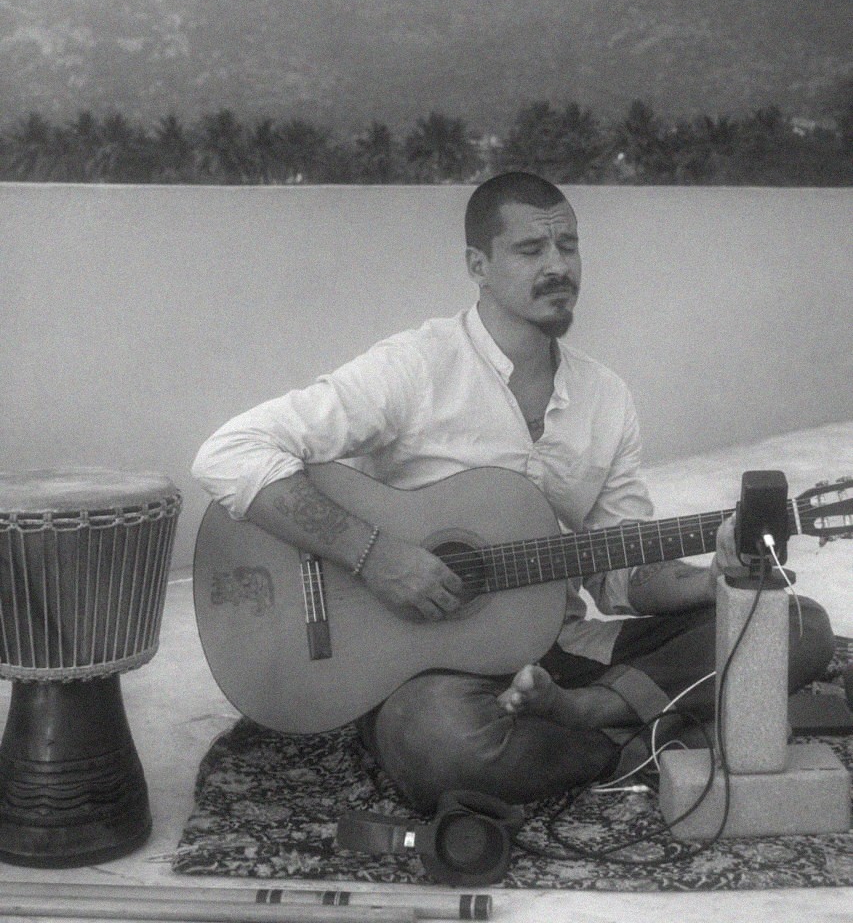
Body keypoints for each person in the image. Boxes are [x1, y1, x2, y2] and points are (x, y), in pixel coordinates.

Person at [192, 171, 833, 809]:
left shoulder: (604, 397)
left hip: (562, 651)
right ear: (479, 264)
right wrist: (374, 554)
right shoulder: (413, 368)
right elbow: (229, 453)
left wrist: (713, 576)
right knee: (439, 743)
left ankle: (584, 715)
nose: (558, 266)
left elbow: (625, 575)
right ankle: (639, 735)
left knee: (796, 624)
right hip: (431, 669)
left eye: (569, 247)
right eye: (532, 250)